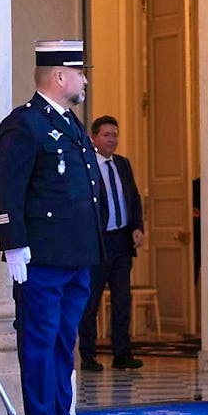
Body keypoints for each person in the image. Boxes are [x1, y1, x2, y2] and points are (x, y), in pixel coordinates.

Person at [0, 40, 104, 415]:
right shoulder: (25, 124)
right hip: (42, 257)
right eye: (80, 72)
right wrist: (13, 244)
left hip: (77, 255)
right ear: (60, 76)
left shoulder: (71, 123)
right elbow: (7, 188)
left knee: (63, 340)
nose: (85, 78)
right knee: (39, 339)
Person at [78, 115, 145, 372]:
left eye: (115, 135)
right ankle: (88, 354)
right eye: (106, 135)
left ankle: (122, 353)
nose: (112, 139)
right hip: (97, 242)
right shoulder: (87, 166)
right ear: (94, 138)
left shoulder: (123, 164)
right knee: (91, 300)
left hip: (121, 241)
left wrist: (137, 227)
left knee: (122, 300)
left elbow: (134, 198)